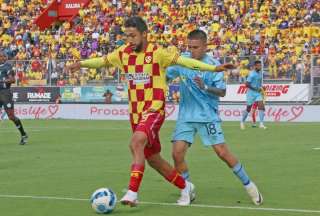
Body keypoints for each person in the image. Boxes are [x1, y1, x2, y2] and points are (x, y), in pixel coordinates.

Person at [67, 16, 234, 207]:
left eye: (133, 36)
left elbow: (187, 62)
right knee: (153, 159)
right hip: (136, 113)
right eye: (127, 36)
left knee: (136, 142)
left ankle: (132, 192)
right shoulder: (122, 53)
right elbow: (102, 61)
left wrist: (214, 68)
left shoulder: (158, 53)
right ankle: (185, 186)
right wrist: (81, 64)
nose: (129, 40)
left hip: (154, 108)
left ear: (144, 34)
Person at [167, 30, 263, 205]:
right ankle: (187, 189)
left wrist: (205, 87)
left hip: (207, 115)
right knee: (176, 153)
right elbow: (165, 76)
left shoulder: (213, 65)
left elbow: (223, 92)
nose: (192, 50)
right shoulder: (182, 61)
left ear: (205, 46)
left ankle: (250, 186)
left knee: (222, 153)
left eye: (195, 47)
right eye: (189, 47)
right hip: (186, 116)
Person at [0, 51, 28, 145]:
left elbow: (12, 80)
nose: (3, 58)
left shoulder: (7, 67)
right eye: (1, 56)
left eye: (4, 56)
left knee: (11, 116)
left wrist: (1, 81)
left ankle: (23, 134)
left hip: (5, 93)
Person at [241, 60, 267, 130]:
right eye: (258, 65)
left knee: (261, 106)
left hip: (258, 93)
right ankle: (242, 122)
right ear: (255, 66)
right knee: (248, 108)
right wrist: (256, 89)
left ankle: (261, 123)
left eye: (260, 65)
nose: (259, 67)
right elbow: (247, 84)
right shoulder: (251, 74)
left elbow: (258, 83)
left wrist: (262, 87)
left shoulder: (260, 73)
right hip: (251, 93)